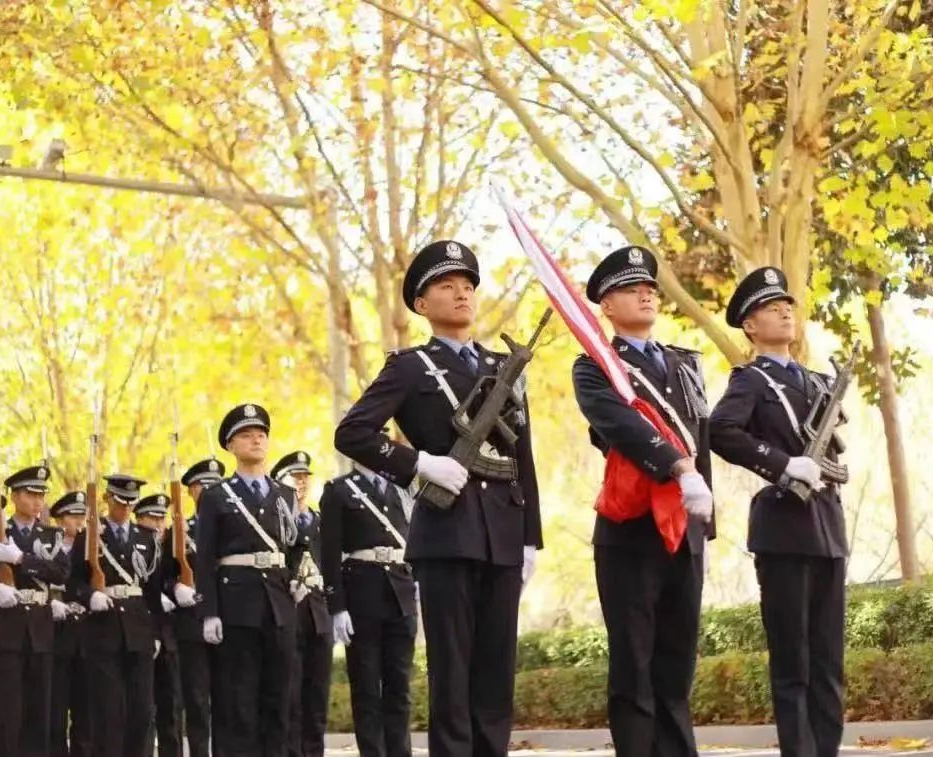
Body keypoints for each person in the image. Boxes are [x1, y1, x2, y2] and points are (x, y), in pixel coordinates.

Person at [335, 240, 542, 757]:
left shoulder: (503, 365)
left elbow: (524, 457)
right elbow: (353, 432)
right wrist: (420, 464)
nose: (462, 294)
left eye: (468, 286)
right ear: (422, 305)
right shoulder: (410, 367)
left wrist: (531, 538)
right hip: (447, 535)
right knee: (452, 673)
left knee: (496, 674)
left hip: (503, 533)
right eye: (447, 287)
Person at [571, 245, 715, 756]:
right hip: (632, 528)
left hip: (686, 527)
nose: (646, 293)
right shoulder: (596, 366)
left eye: (650, 287)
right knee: (634, 664)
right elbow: (621, 427)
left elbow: (700, 435)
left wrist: (707, 515)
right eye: (633, 288)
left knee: (677, 664)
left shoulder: (684, 363)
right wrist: (678, 468)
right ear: (606, 306)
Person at [709, 267, 848, 757]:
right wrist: (784, 463)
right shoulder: (750, 380)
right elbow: (721, 431)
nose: (785, 312)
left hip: (827, 524)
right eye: (772, 308)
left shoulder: (817, 380)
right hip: (783, 527)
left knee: (830, 660)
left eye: (788, 305)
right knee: (794, 661)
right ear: (750, 325)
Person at [196, 404, 298, 756]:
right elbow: (205, 558)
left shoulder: (285, 495)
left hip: (279, 606)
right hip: (236, 606)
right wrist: (209, 611)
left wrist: (298, 579)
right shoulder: (216, 496)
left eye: (261, 434)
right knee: (236, 701)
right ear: (230, 445)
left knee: (278, 701)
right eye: (246, 434)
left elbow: (296, 545)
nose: (256, 439)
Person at [318, 461, 415, 757]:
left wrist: (421, 579)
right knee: (367, 689)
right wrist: (337, 606)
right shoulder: (338, 490)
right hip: (361, 594)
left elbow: (415, 535)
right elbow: (329, 552)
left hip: (401, 592)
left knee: (400, 688)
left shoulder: (403, 487)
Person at [0, 464, 70, 757]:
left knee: (39, 713)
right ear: (14, 496)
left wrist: (20, 558)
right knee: (7, 715)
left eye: (41, 495)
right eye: (31, 494)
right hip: (7, 630)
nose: (37, 501)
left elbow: (60, 573)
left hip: (41, 630)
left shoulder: (52, 536)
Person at [71, 473, 163, 757]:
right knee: (108, 713)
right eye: (120, 502)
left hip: (138, 632)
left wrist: (157, 633)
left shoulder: (146, 538)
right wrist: (90, 595)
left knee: (142, 712)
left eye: (130, 503)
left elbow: (153, 591)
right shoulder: (89, 537)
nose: (125, 509)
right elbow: (72, 581)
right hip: (103, 630)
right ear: (107, 498)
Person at [271, 451, 334, 757]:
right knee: (290, 698)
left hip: (318, 615)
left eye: (305, 477)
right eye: (293, 478)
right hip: (288, 612)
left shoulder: (321, 521)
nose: (301, 483)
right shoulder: (275, 523)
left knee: (317, 696)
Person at [162, 457, 224, 757]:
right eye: (204, 486)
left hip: (228, 619)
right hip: (191, 623)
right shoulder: (178, 532)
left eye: (216, 485)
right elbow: (159, 577)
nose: (210, 490)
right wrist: (175, 588)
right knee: (197, 701)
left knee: (231, 699)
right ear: (191, 491)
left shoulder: (232, 525)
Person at [135, 492, 184, 757]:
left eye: (161, 518)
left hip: (170, 637)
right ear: (139, 520)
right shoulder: (133, 548)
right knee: (143, 710)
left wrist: (171, 588)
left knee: (172, 709)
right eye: (151, 519)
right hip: (141, 634)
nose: (158, 525)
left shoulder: (171, 550)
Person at [48, 491, 92, 756]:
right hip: (55, 634)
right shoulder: (48, 546)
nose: (79, 521)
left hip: (86, 634)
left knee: (85, 708)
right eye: (73, 516)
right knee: (55, 707)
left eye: (82, 516)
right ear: (59, 520)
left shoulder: (91, 549)